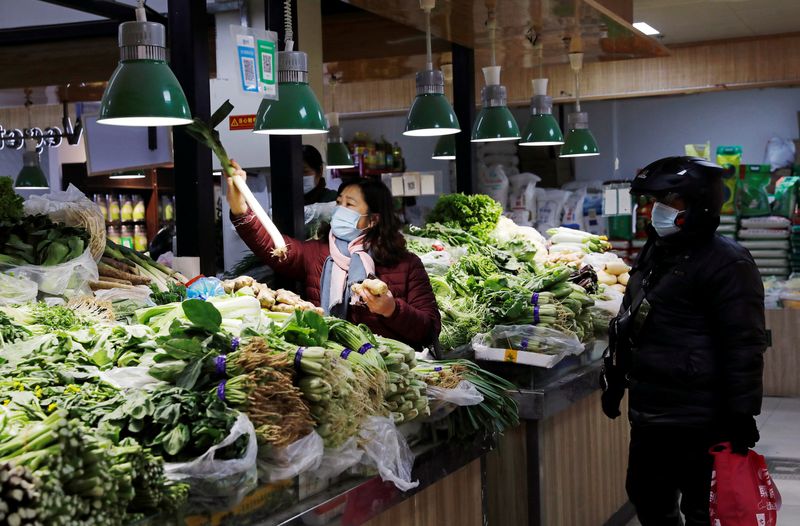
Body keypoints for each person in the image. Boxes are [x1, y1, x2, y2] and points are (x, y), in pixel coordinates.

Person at [600, 156, 767, 526]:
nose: (652, 210)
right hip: (651, 412)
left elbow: (744, 345)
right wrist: (615, 375)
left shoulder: (728, 263)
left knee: (701, 511)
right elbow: (633, 316)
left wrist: (742, 413)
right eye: (650, 202)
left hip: (701, 417)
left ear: (699, 203)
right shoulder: (657, 251)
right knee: (647, 498)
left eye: (667, 201)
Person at [227, 161, 440, 350]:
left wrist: (392, 309)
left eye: (349, 204)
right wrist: (241, 208)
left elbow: (429, 329)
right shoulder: (317, 253)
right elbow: (273, 245)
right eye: (339, 203)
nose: (340, 210)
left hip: (391, 368)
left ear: (373, 220)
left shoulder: (406, 264)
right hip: (330, 363)